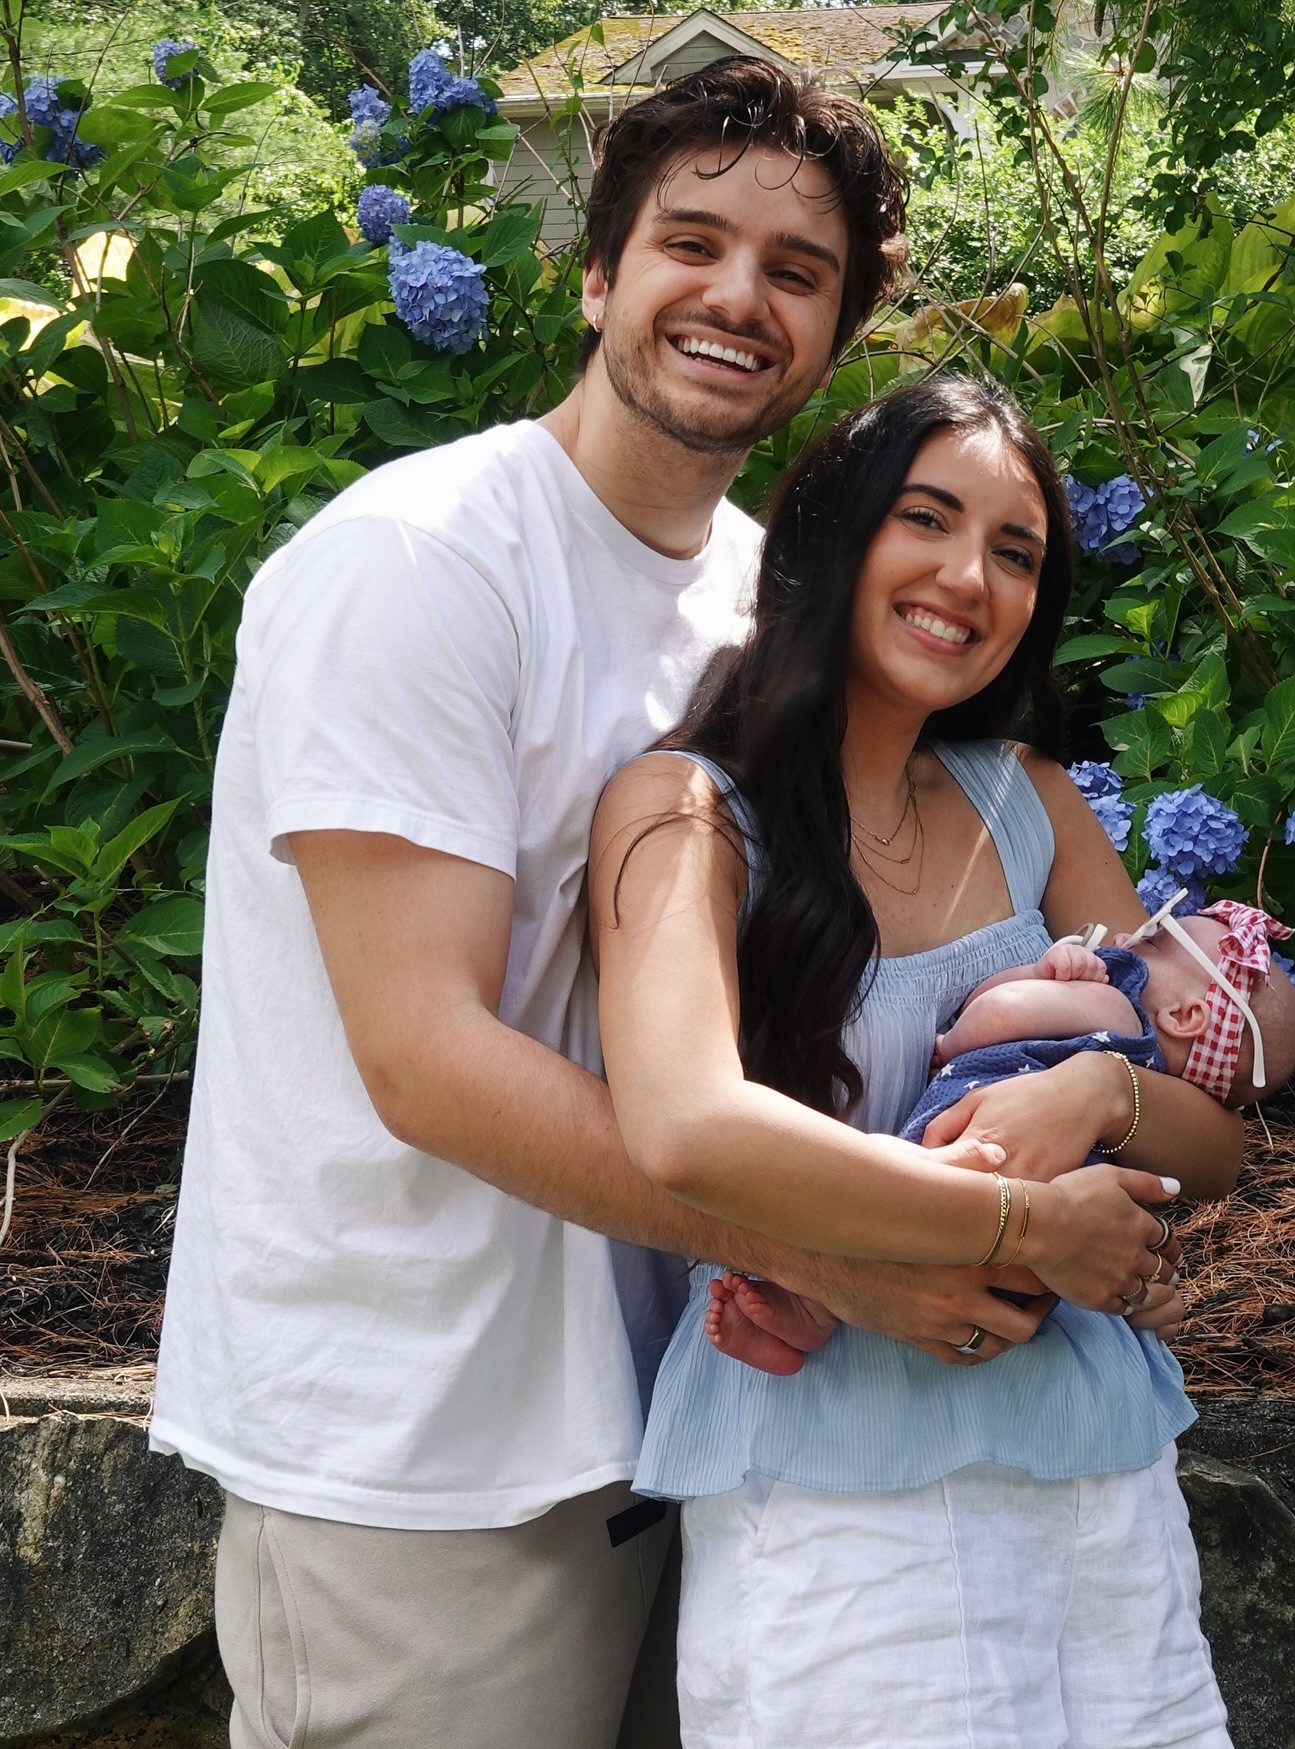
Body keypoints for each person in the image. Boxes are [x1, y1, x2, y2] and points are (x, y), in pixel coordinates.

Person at [146, 59, 1060, 1749]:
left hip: (688, 1409)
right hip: (425, 1452)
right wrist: (843, 1252)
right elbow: (423, 1056)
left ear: (838, 334)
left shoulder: (761, 605)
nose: (738, 296)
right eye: (691, 244)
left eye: (797, 271)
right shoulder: (423, 559)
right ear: (596, 274)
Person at [589, 376, 1246, 1749]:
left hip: (1094, 1465)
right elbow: (685, 1128)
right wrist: (1026, 1220)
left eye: (1016, 552)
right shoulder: (689, 809)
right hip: (835, 1484)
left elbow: (1215, 1144)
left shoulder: (1031, 802)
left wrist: (1100, 1092)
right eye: (928, 520)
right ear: (833, 533)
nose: (969, 578)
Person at [707, 903, 1295, 1374]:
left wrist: (974, 1025)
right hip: (1040, 1247)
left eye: (1155, 938)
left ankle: (812, 1303)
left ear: (1185, 1016)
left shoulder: (1116, 1010)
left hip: (979, 1149)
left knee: (877, 1171)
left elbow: (1004, 1011)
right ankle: (814, 1309)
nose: (1131, 934)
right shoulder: (1144, 1082)